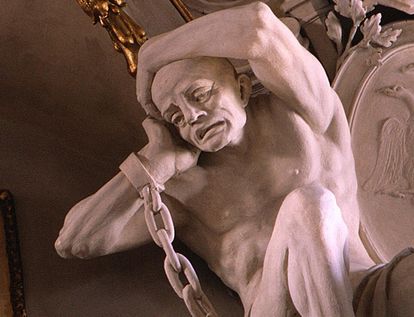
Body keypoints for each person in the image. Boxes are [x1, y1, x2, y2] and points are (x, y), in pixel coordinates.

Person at [55, 2, 414, 316]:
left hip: (364, 290)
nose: (191, 116)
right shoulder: (185, 189)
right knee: (310, 205)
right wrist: (154, 161)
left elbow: (259, 26)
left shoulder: (306, 118)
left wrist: (152, 54)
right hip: (277, 308)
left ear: (242, 88)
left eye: (199, 94)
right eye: (176, 116)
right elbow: (76, 240)